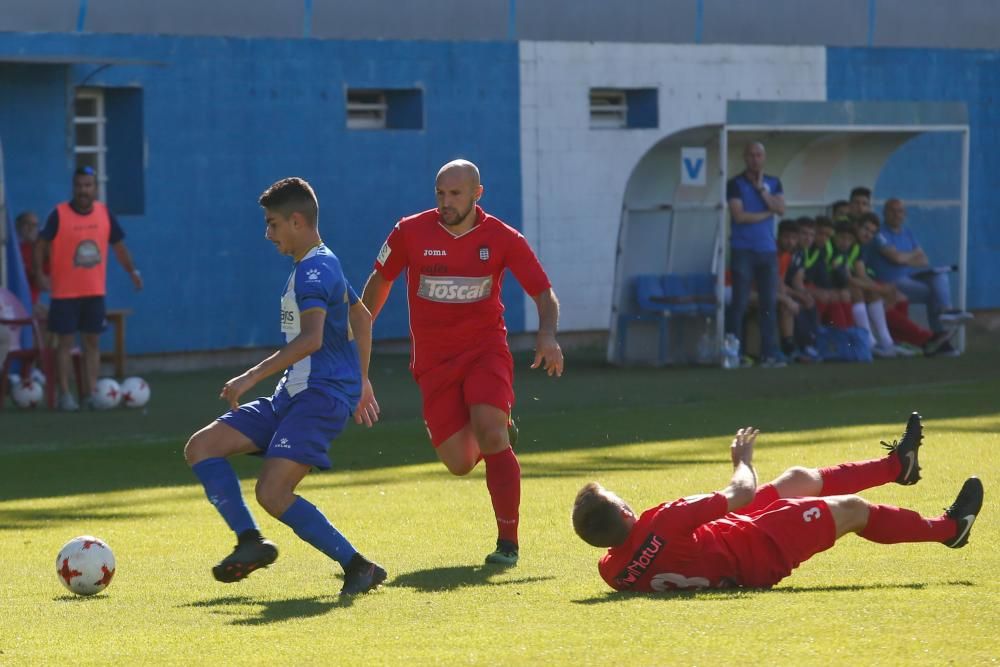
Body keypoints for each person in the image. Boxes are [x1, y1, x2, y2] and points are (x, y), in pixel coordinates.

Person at [183, 177, 385, 596]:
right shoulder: (323, 262)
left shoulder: (314, 270)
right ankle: (250, 542)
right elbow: (361, 317)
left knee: (273, 492)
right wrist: (362, 380)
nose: (268, 233)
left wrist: (247, 377)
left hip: (318, 399)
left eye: (273, 224)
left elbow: (311, 339)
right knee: (201, 447)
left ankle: (358, 565)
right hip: (293, 397)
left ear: (296, 221)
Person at [360, 159, 563, 566]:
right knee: (459, 463)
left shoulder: (503, 238)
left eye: (454, 193)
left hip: (486, 352)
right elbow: (379, 283)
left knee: (490, 433)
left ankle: (508, 542)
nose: (445, 201)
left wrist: (547, 335)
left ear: (476, 194)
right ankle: (496, 428)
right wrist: (357, 340)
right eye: (440, 193)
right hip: (434, 364)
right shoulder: (409, 232)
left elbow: (543, 293)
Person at [572, 413, 984, 592]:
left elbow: (655, 556)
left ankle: (897, 467)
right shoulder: (663, 519)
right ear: (625, 511)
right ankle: (950, 529)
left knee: (798, 479)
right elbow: (742, 494)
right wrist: (742, 462)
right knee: (853, 510)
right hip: (757, 547)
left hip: (724, 545)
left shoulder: (612, 572)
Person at [35, 167, 142, 411]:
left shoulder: (104, 214)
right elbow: (41, 244)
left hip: (94, 291)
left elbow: (119, 247)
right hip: (64, 293)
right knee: (64, 343)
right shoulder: (58, 214)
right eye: (79, 185)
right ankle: (65, 395)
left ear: (95, 187)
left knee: (92, 343)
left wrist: (133, 272)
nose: (83, 190)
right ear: (73, 187)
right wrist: (41, 273)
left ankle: (91, 393)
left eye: (88, 185)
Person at [867, 198, 969, 353]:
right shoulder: (880, 233)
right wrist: (912, 255)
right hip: (892, 282)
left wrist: (903, 258)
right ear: (884, 213)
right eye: (892, 211)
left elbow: (924, 260)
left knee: (940, 275)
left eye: (900, 211)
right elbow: (897, 258)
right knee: (935, 294)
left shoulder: (907, 233)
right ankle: (940, 337)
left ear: (905, 214)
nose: (896, 214)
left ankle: (946, 311)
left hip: (911, 276)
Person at [726, 142, 785, 367]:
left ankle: (768, 353)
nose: (755, 159)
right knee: (739, 302)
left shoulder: (773, 182)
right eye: (750, 154)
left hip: (767, 251)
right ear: (744, 157)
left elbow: (781, 209)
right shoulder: (735, 184)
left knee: (768, 303)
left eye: (759, 154)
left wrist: (761, 190)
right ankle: (734, 353)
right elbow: (739, 216)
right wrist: (766, 212)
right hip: (743, 250)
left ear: (764, 157)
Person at [15, 211, 48, 309]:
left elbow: (46, 285)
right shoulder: (8, 248)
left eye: (35, 225)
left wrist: (36, 274)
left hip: (30, 303)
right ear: (18, 225)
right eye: (27, 224)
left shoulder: (40, 251)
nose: (31, 228)